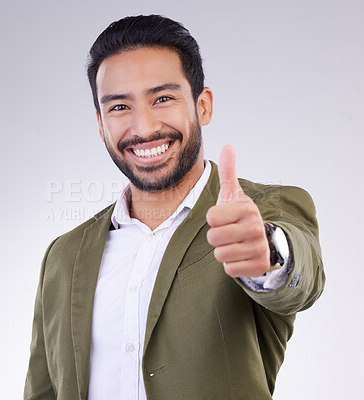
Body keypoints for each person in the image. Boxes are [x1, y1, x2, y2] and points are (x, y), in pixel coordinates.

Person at [24, 14, 325, 400]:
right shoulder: (62, 256)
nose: (144, 127)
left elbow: (302, 278)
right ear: (100, 124)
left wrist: (268, 252)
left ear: (203, 106)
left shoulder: (260, 212)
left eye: (162, 98)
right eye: (119, 107)